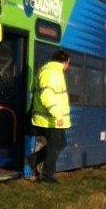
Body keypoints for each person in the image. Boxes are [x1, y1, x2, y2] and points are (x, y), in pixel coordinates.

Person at [29, 50, 72, 183]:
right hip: (49, 119)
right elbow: (46, 96)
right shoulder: (50, 73)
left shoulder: (55, 72)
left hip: (52, 119)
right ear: (64, 62)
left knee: (60, 143)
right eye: (68, 63)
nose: (68, 66)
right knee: (56, 144)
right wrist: (57, 115)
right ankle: (47, 175)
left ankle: (32, 161)